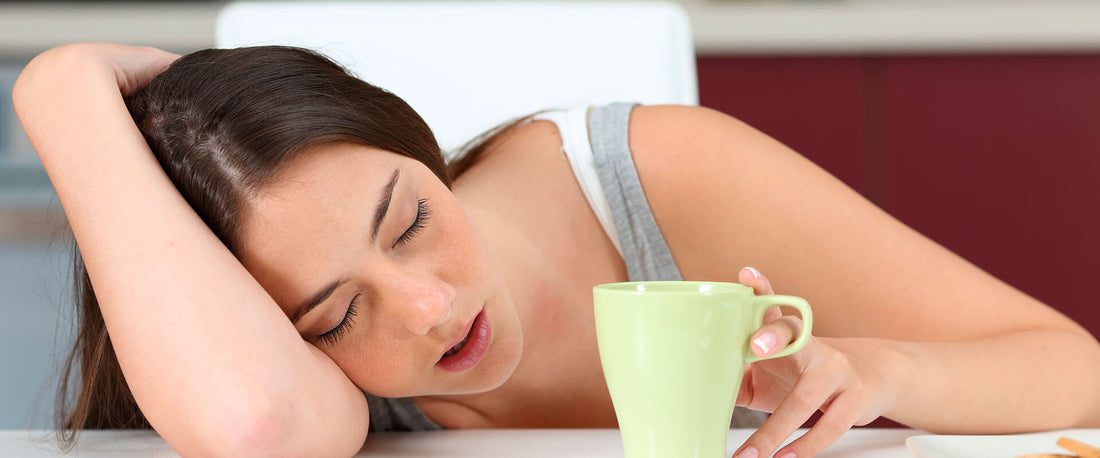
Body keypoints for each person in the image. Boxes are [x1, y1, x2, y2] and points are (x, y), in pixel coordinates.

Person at [12, 42, 1100, 458]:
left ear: (420, 149)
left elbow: (1073, 367)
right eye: (336, 317)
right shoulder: (271, 380)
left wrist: (878, 371)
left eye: (410, 219)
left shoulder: (656, 171)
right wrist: (62, 92)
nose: (429, 307)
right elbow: (258, 428)